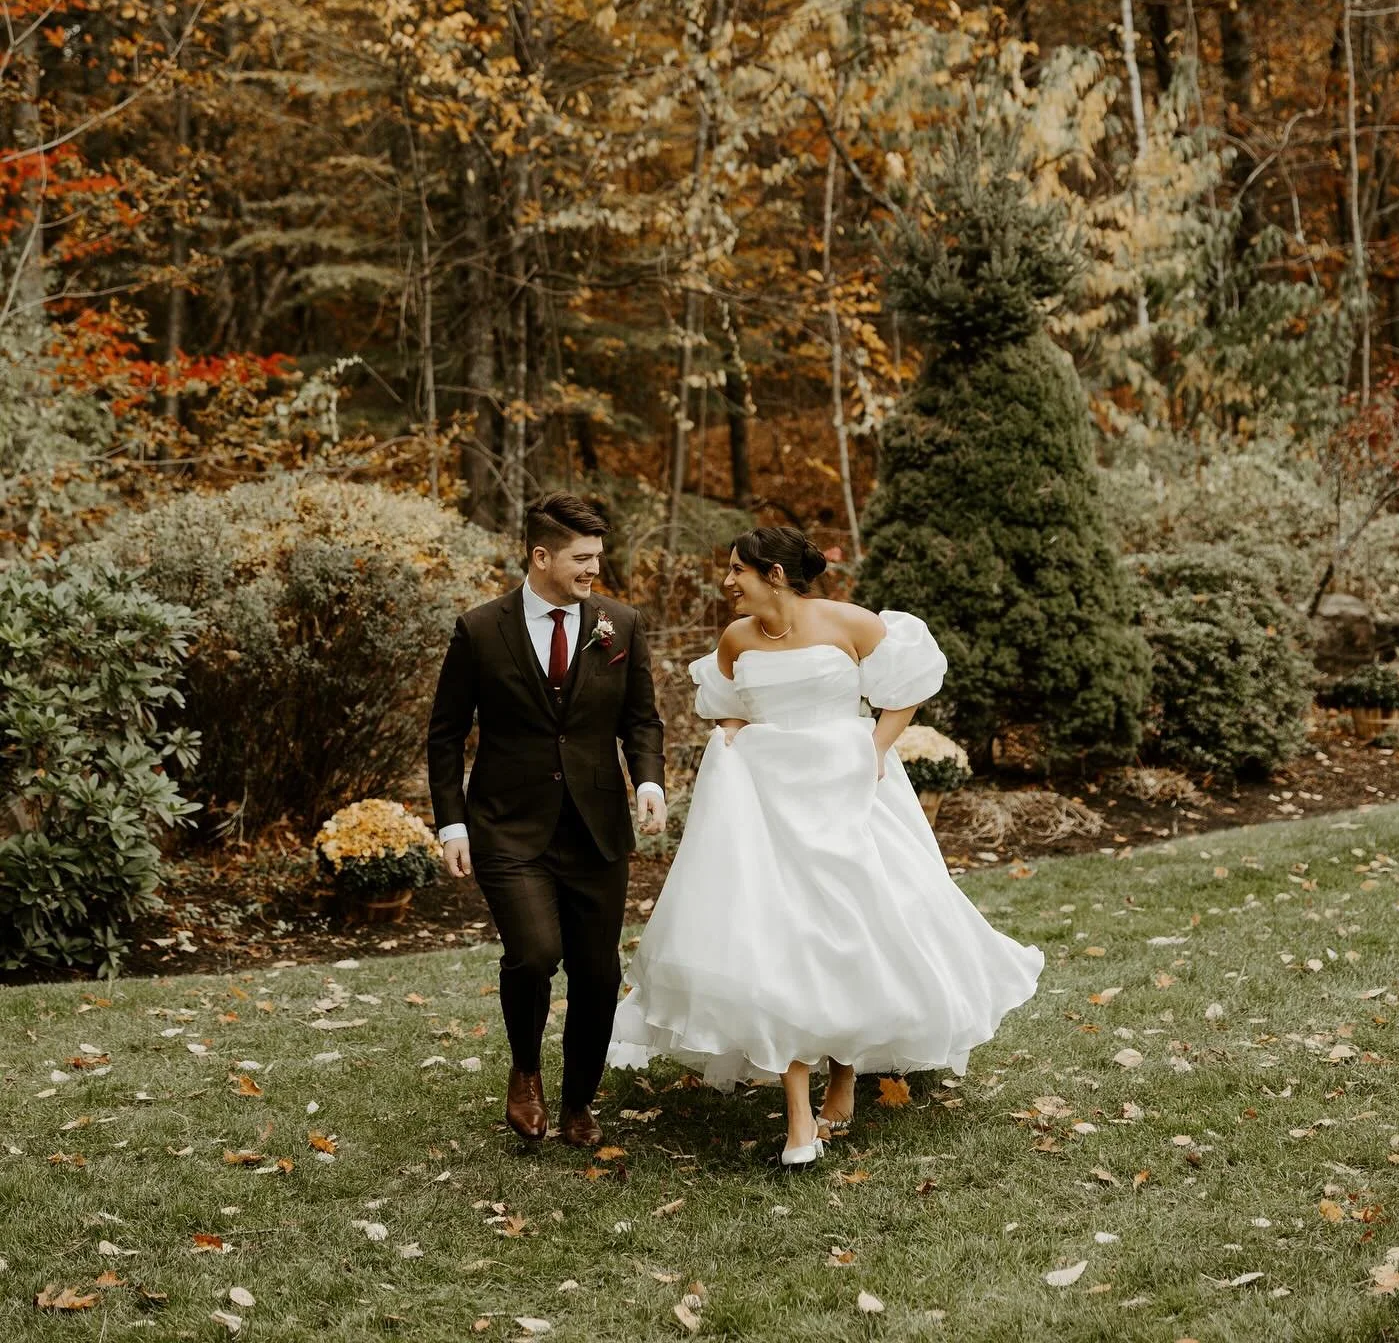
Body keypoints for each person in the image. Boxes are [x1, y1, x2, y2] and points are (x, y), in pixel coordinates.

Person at [608, 524, 1043, 1167]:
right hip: (768, 803)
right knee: (784, 939)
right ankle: (798, 1120)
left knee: (851, 930)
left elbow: (910, 688)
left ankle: (844, 1078)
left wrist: (872, 750)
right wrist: (729, 747)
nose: (727, 581)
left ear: (775, 573)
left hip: (847, 792)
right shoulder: (735, 638)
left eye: (738, 570)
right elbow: (729, 710)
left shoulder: (851, 624)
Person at [427, 492, 666, 1148]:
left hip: (596, 828)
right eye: (582, 557)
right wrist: (452, 824)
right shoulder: (480, 630)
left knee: (597, 973)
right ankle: (526, 1071)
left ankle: (578, 1104)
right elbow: (445, 735)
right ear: (541, 555)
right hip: (507, 825)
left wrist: (647, 779)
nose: (595, 569)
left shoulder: (620, 624)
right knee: (534, 955)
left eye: (597, 556)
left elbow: (641, 720)